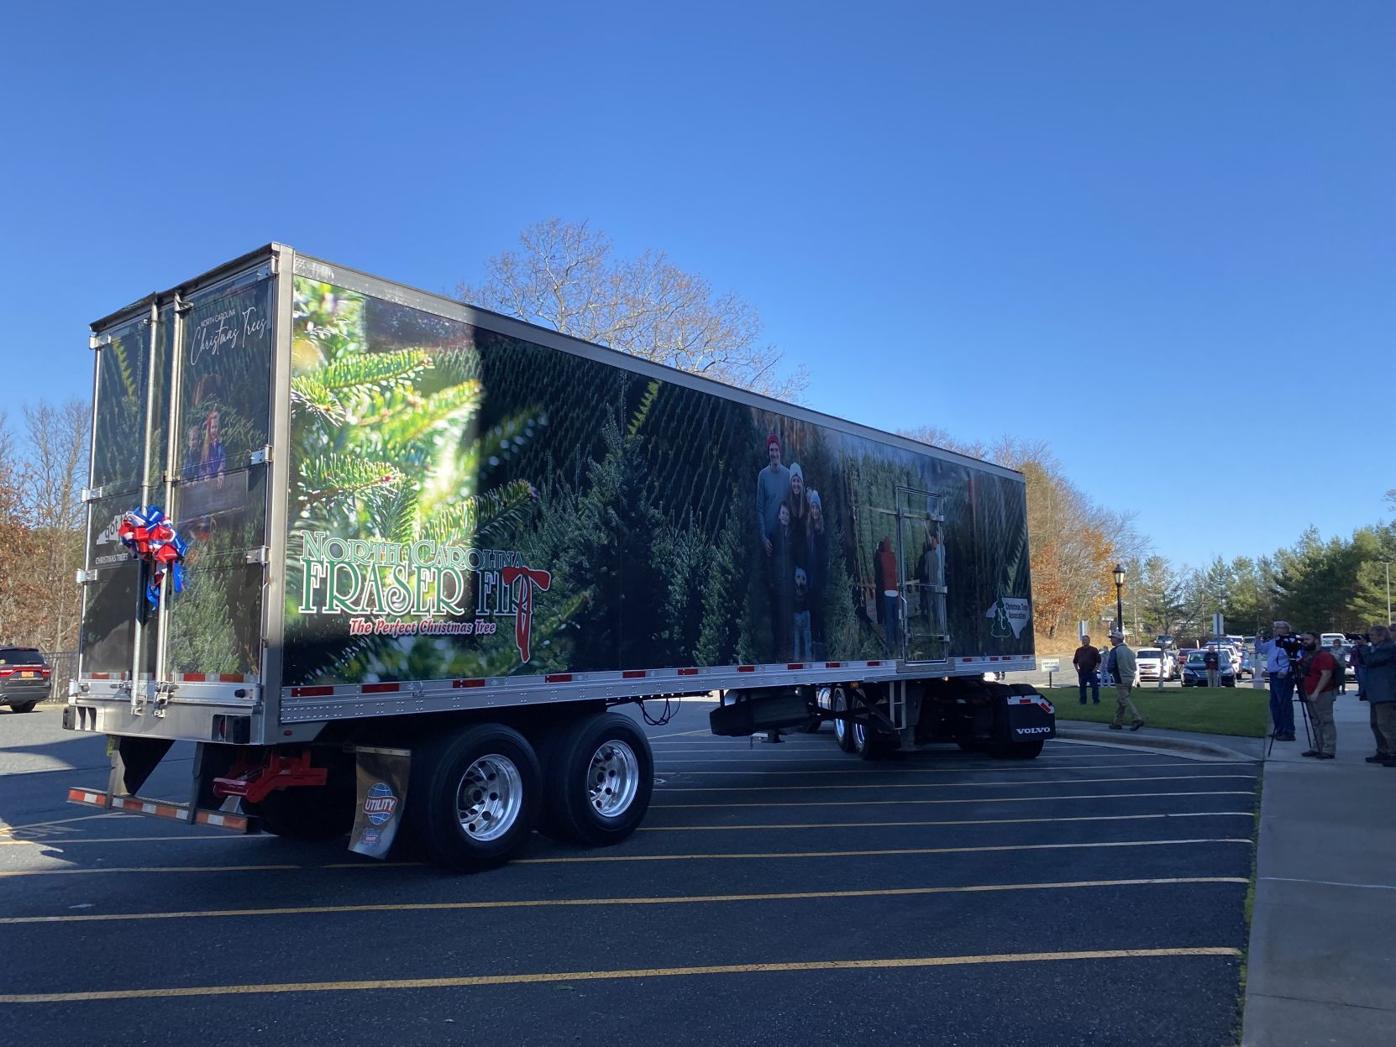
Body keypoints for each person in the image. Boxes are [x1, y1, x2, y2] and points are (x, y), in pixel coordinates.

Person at [1297, 632, 1339, 759]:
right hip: (1309, 691)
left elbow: (1326, 675)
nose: (1304, 642)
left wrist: (1316, 692)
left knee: (1325, 721)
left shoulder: (1324, 656)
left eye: (1307, 639)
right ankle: (1317, 747)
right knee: (1315, 721)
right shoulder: (1307, 656)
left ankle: (1328, 749)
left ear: (1316, 640)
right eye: (1303, 640)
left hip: (1323, 692)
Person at [1360, 624, 1396, 766]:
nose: (1370, 638)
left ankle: (1393, 753)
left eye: (1373, 635)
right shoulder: (1377, 648)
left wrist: (1364, 647)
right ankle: (1383, 751)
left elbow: (1371, 660)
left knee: (1386, 725)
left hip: (1386, 693)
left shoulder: (1389, 648)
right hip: (1376, 693)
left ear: (1382, 636)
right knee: (1375, 724)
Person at [1255, 621, 1298, 741]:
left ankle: (1288, 731)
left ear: (1285, 629)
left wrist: (1284, 670)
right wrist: (1258, 639)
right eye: (1274, 628)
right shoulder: (1273, 642)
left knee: (1284, 703)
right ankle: (1279, 729)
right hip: (1274, 676)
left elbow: (1295, 659)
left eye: (1277, 627)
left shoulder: (1291, 642)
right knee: (1274, 704)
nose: (1274, 630)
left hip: (1284, 676)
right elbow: (1261, 649)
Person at [756, 433, 790, 555]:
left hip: (784, 537)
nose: (774, 453)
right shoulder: (763, 475)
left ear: (780, 452)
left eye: (776, 450)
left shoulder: (788, 474)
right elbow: (759, 509)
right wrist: (763, 538)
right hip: (768, 539)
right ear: (768, 452)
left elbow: (792, 505)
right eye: (771, 450)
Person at [1106, 632, 1144, 731]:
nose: (1111, 640)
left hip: (1120, 678)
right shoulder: (1129, 651)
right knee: (1121, 701)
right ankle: (1117, 722)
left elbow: (1111, 666)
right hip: (1130, 678)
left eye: (1112, 638)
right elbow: (1134, 666)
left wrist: (1109, 670)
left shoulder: (1115, 651)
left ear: (1117, 639)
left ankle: (1137, 718)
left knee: (1125, 700)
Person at [874, 537, 899, 650]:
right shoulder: (893, 557)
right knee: (896, 619)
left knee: (888, 619)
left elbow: (878, 557)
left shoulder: (882, 557)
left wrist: (877, 549)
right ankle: (897, 640)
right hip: (895, 591)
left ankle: (889, 643)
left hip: (887, 592)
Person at [1073, 634, 1101, 705]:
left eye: (1085, 640)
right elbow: (1075, 661)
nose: (1084, 641)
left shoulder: (1094, 650)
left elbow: (1098, 661)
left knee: (1094, 687)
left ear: (1089, 641)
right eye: (1083, 640)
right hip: (1082, 672)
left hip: (1091, 671)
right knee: (1082, 687)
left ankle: (1096, 701)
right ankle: (1083, 701)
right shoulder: (1079, 650)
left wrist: (1095, 670)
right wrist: (1077, 670)